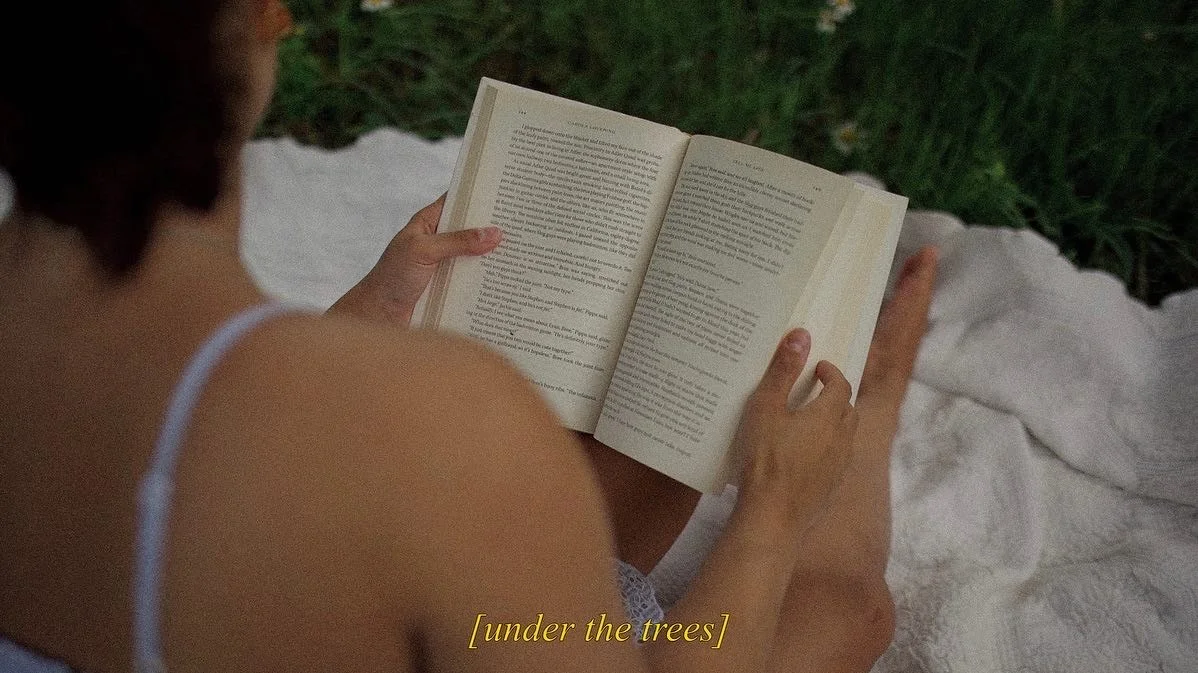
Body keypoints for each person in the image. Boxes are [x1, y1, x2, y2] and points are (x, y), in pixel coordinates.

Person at [0, 0, 938, 671]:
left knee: (639, 474)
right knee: (849, 607)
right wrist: (771, 514)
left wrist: (368, 305)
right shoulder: (447, 411)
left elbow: (209, 446)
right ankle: (875, 398)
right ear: (249, 31)